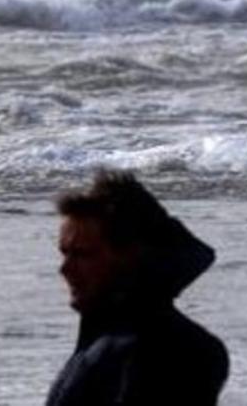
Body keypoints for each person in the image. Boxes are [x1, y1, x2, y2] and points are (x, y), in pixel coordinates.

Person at [47, 172, 229, 405]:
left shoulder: (171, 351)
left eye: (83, 255)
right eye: (65, 253)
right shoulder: (105, 343)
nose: (65, 269)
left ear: (132, 256)